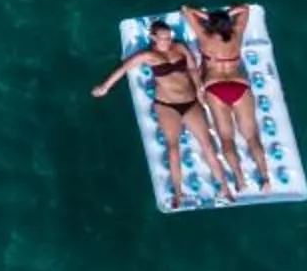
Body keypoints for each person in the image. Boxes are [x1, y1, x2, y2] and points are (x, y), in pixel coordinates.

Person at [93, 17, 234, 207]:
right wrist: (105, 87)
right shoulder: (147, 56)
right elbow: (124, 69)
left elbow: (192, 68)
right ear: (153, 37)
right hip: (167, 105)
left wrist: (200, 88)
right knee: (173, 147)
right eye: (163, 38)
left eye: (169, 37)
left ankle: (224, 188)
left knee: (207, 146)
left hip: (190, 102)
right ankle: (178, 193)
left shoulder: (180, 47)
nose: (167, 41)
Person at [182, 4, 266, 192]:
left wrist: (205, 15)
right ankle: (265, 176)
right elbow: (245, 9)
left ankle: (239, 178)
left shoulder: (205, 37)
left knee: (226, 138)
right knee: (252, 136)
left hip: (215, 87)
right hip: (240, 85)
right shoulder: (237, 33)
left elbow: (186, 10)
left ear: (212, 25)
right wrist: (227, 15)